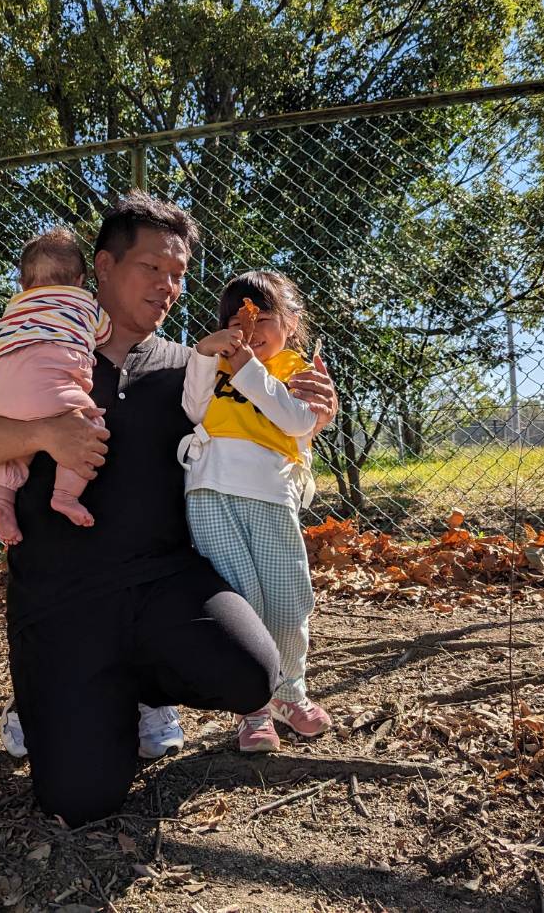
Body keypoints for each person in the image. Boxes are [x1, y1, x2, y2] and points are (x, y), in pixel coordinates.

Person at [0, 194, 337, 825]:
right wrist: (44, 434)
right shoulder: (45, 346)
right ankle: (53, 694)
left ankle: (147, 691)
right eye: (152, 268)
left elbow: (265, 427)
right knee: (81, 802)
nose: (169, 286)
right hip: (62, 598)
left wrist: (311, 415)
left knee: (255, 673)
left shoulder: (191, 368)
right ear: (102, 266)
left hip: (166, 583)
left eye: (178, 274)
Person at [182, 272, 332, 752]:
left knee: (288, 603)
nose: (250, 330)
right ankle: (253, 709)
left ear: (290, 324)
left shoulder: (295, 368)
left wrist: (249, 366)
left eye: (265, 319)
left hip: (271, 495)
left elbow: (295, 419)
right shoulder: (216, 365)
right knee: (244, 603)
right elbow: (191, 408)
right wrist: (206, 355)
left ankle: (288, 691)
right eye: (238, 321)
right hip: (210, 492)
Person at [0, 228, 111, 543]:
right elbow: (104, 335)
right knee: (88, 426)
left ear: (24, 284)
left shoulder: (17, 306)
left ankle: (1, 501)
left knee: (9, 452)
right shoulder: (85, 302)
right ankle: (65, 495)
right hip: (48, 386)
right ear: (81, 280)